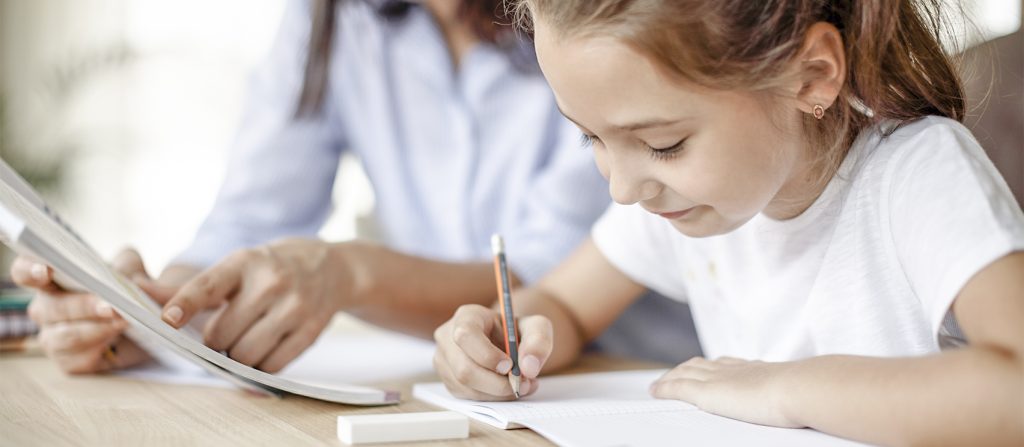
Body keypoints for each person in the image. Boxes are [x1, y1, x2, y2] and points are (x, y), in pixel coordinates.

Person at [431, 0, 1024, 445]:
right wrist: (506, 340)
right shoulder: (687, 202)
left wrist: (785, 387)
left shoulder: (917, 174)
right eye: (591, 136)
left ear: (811, 77)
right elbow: (565, 305)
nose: (623, 187)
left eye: (664, 144)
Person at [12, 0, 698, 375]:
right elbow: (247, 220)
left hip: (638, 375)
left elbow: (546, 278)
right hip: (464, 384)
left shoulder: (589, 25)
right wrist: (158, 313)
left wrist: (351, 271)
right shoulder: (337, 17)